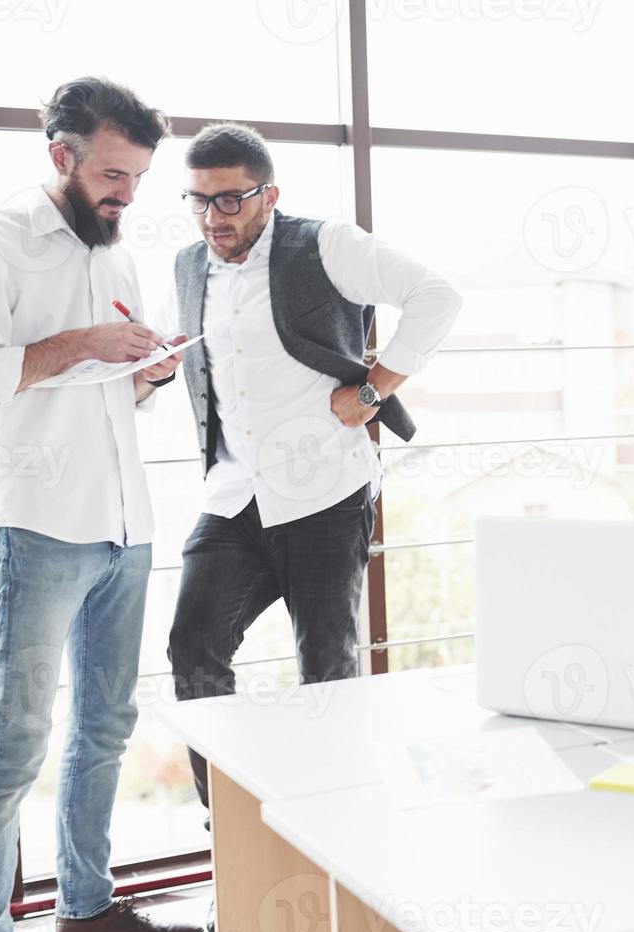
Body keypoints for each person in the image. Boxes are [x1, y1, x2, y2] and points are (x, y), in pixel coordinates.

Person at [0, 77, 200, 932]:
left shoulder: (118, 256)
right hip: (40, 529)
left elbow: (108, 392)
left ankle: (85, 912)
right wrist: (87, 343)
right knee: (15, 742)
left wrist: (149, 372)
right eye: (114, 174)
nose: (128, 194)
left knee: (106, 729)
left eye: (138, 177)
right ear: (61, 156)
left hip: (127, 526)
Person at [160, 124, 462, 814]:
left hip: (327, 493)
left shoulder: (326, 244)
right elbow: (190, 362)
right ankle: (233, 839)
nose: (213, 218)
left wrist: (372, 390)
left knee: (328, 675)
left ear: (270, 195)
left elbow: (436, 295)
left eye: (230, 200)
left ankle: (340, 831)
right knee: (193, 648)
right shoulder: (186, 266)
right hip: (233, 496)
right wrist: (153, 373)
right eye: (198, 201)